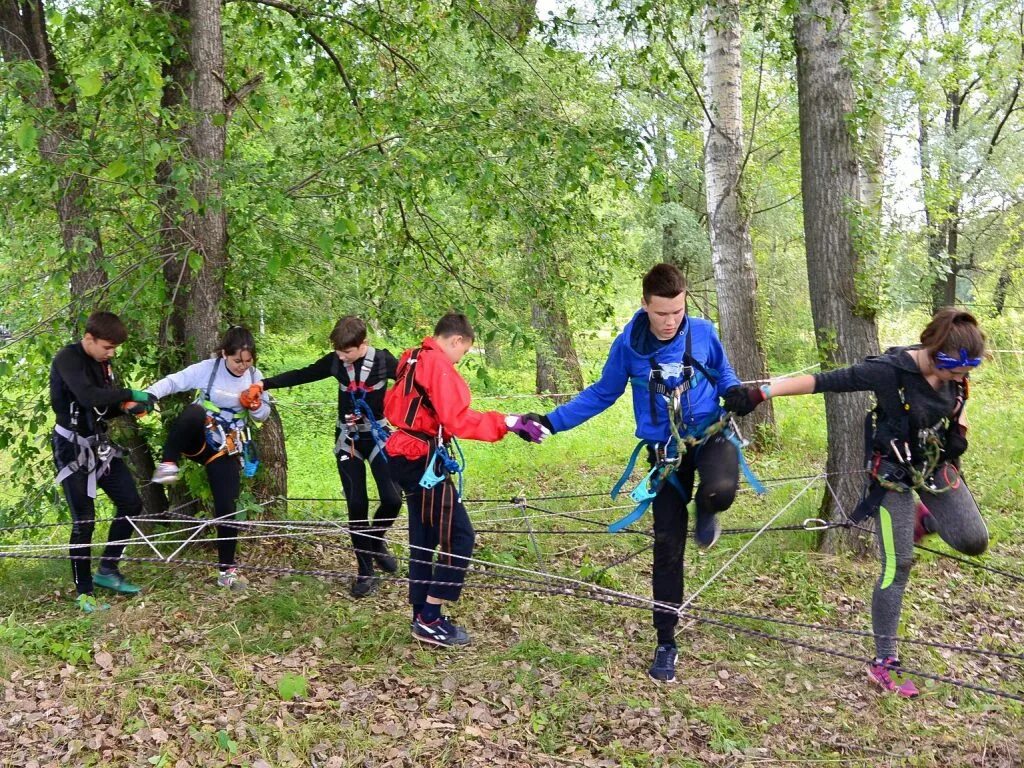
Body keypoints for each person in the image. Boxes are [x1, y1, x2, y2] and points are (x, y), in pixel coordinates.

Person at [734, 307, 989, 697]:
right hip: (894, 475)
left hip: (936, 465)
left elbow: (957, 403)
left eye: (963, 375)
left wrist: (960, 426)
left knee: (974, 539)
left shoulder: (957, 374)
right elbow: (824, 381)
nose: (958, 379)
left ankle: (923, 521)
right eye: (954, 372)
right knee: (898, 564)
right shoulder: (888, 371)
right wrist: (760, 392)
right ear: (935, 351)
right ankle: (884, 661)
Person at [535, 263, 756, 683]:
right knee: (667, 547)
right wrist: (551, 421)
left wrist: (733, 391)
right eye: (662, 313)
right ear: (644, 305)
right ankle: (666, 641)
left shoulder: (703, 332)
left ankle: (706, 508)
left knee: (722, 490)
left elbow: (724, 373)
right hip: (665, 453)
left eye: (677, 311)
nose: (671, 321)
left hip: (710, 435)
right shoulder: (628, 347)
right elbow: (602, 393)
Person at [383, 312, 548, 647]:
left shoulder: (413, 357)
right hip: (421, 459)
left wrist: (507, 421)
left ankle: (421, 614)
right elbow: (458, 419)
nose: (461, 359)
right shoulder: (437, 365)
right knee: (460, 536)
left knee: (425, 535)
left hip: (405, 453)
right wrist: (508, 422)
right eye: (464, 351)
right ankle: (430, 616)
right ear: (456, 340)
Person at [250, 316, 402, 597]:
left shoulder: (383, 361)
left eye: (347, 352)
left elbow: (411, 381)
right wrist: (264, 384)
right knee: (357, 504)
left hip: (378, 436)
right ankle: (365, 572)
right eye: (338, 352)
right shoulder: (335, 361)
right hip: (349, 440)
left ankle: (375, 540)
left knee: (393, 499)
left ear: (363, 344)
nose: (342, 357)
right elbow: (302, 374)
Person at [146, 326, 271, 590]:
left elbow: (264, 415)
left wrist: (257, 406)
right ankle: (168, 463)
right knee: (193, 411)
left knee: (228, 507)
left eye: (248, 361)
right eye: (238, 360)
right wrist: (149, 395)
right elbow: (174, 381)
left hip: (226, 448)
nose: (242, 366)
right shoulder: (208, 369)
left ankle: (227, 571)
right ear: (225, 353)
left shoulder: (255, 376)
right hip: (200, 438)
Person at [50, 311, 155, 612]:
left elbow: (101, 409)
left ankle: (108, 569)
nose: (112, 353)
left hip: (99, 445)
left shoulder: (102, 363)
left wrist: (126, 407)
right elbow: (87, 397)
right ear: (89, 339)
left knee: (131, 504)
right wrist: (127, 393)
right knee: (84, 520)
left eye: (114, 349)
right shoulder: (67, 359)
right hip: (70, 448)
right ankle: (84, 592)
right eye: (108, 347)